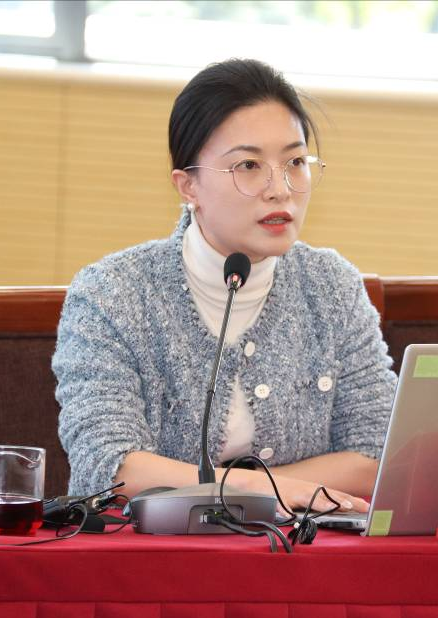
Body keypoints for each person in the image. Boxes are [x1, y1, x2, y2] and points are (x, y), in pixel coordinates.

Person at [53, 59, 396, 513]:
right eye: (248, 165)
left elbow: (378, 453)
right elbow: (110, 465)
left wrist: (253, 489)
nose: (280, 189)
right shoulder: (111, 294)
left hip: (298, 549)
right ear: (188, 186)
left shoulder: (333, 287)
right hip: (152, 550)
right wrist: (262, 489)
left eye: (295, 162)